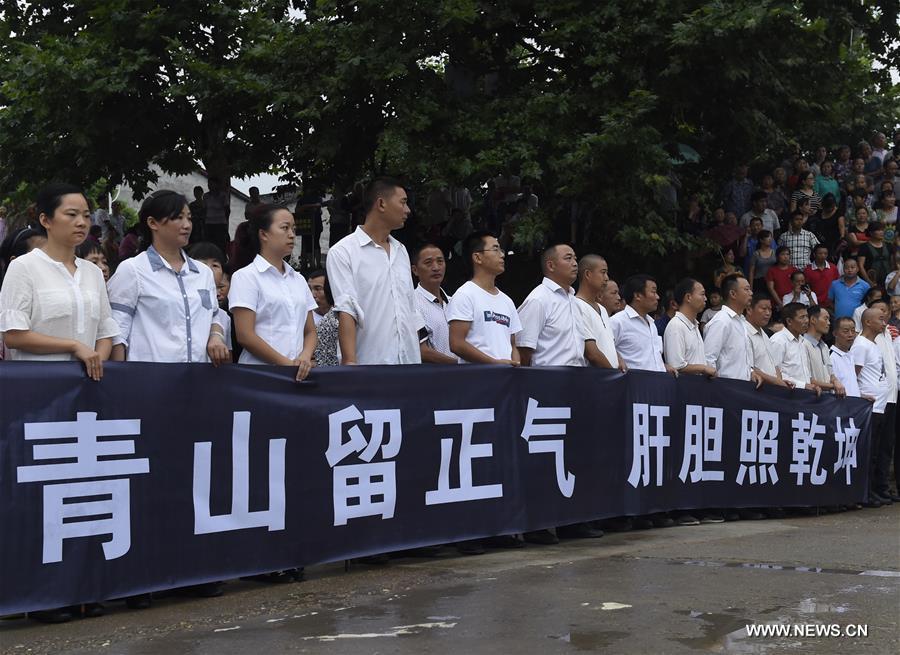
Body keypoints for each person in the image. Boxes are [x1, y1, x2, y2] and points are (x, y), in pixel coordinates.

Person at [0, 183, 118, 623]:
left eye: (86, 214)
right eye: (71, 214)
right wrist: (74, 347)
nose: (82, 222)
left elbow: (106, 329)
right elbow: (13, 333)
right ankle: (40, 595)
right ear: (45, 220)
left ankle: (83, 588)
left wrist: (96, 361)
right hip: (35, 397)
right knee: (39, 495)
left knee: (84, 492)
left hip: (85, 395)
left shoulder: (90, 272)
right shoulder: (24, 269)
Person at [517, 243, 601, 542]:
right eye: (568, 258)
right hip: (546, 389)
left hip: (575, 387)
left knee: (573, 456)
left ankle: (572, 519)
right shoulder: (538, 300)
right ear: (551, 266)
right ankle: (537, 524)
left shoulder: (573, 301)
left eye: (576, 258)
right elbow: (525, 351)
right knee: (543, 458)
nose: (575, 263)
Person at [107, 190, 229, 367]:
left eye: (189, 218)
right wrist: (118, 376)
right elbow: (118, 331)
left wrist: (216, 337)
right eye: (178, 218)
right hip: (151, 380)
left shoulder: (203, 273)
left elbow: (214, 316)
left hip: (199, 378)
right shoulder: (133, 270)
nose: (186, 225)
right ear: (152, 223)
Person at [326, 178, 424, 365]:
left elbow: (411, 307)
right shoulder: (343, 252)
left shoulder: (400, 250)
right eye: (403, 202)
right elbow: (347, 309)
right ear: (381, 203)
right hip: (371, 365)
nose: (408, 210)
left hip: (409, 365)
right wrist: (350, 362)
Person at [228, 204, 317, 380]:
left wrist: (304, 357)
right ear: (264, 234)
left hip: (298, 375)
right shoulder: (246, 277)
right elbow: (245, 335)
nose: (292, 234)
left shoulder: (298, 279)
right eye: (285, 228)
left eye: (293, 228)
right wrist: (286, 364)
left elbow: (310, 331)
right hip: (260, 376)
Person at [448, 231, 521, 366]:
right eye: (495, 249)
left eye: (501, 249)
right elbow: (456, 343)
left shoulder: (507, 301)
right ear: (477, 258)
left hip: (507, 380)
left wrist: (515, 366)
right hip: (478, 380)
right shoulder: (465, 295)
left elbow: (512, 344)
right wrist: (493, 363)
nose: (502, 255)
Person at [851, 307, 890, 506]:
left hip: (880, 406)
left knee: (875, 451)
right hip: (868, 408)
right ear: (868, 322)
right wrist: (859, 397)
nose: (884, 323)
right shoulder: (861, 345)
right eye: (881, 319)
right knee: (867, 452)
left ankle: (873, 489)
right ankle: (864, 492)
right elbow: (853, 375)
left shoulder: (874, 344)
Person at [610, 275, 677, 375]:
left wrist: (662, 366)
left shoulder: (652, 324)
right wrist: (618, 358)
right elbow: (604, 349)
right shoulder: (617, 322)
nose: (657, 297)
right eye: (653, 292)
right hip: (633, 386)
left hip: (658, 385)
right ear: (637, 295)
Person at [703, 274, 761, 385]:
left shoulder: (741, 321)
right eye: (746, 289)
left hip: (743, 388)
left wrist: (751, 372)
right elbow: (709, 359)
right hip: (726, 389)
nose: (751, 293)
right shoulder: (721, 321)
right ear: (733, 294)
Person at [574, 254, 623, 370]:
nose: (606, 278)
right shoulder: (576, 305)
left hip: (611, 378)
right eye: (603, 272)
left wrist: (619, 360)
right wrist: (613, 374)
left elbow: (608, 344)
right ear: (587, 274)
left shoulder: (603, 309)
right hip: (596, 379)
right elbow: (592, 353)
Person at [411, 243, 457, 365]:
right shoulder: (411, 302)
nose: (436, 267)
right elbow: (422, 351)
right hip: (432, 378)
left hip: (465, 376)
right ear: (415, 270)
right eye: (428, 263)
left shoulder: (456, 302)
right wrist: (460, 364)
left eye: (440, 261)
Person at [663, 278, 715, 378]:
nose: (706, 298)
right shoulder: (676, 325)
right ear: (688, 297)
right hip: (685, 388)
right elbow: (676, 366)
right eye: (702, 294)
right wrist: (703, 368)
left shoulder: (695, 325)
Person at [768, 303, 820, 392]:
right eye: (802, 317)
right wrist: (803, 385)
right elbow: (774, 373)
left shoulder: (803, 342)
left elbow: (805, 374)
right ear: (789, 321)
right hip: (787, 395)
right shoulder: (778, 340)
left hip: (805, 395)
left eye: (807, 316)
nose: (807, 320)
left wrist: (812, 386)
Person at [744, 293, 791, 387]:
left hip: (773, 391)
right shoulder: (744, 332)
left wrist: (780, 381)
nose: (768, 313)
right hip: (757, 389)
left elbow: (775, 365)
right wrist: (778, 382)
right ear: (749, 310)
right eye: (764, 309)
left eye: (770, 309)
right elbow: (749, 367)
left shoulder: (765, 335)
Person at [802, 305, 846, 396]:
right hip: (811, 397)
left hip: (827, 398)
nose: (829, 323)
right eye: (825, 319)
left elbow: (831, 374)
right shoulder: (803, 344)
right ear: (813, 320)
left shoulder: (825, 346)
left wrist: (836, 381)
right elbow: (806, 378)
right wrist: (833, 386)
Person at [307, 270, 339, 367]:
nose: (312, 294)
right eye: (308, 289)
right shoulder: (303, 317)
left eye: (318, 289)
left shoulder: (342, 317)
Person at [830, 317, 860, 397]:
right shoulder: (831, 357)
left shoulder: (850, 355)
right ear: (835, 334)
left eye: (853, 331)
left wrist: (861, 396)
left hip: (855, 405)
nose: (850, 335)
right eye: (846, 331)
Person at [857, 221, 893, 287]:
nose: (881, 232)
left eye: (882, 230)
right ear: (871, 233)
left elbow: (893, 263)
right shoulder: (864, 247)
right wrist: (869, 282)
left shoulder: (889, 246)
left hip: (888, 281)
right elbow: (860, 265)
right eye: (878, 230)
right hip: (871, 280)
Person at [803, 244, 839, 309]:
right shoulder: (807, 270)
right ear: (814, 254)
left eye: (825, 253)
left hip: (831, 304)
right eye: (820, 253)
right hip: (814, 304)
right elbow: (806, 288)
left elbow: (837, 285)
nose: (823, 255)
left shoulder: (833, 268)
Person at [203, 178, 231, 254]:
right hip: (209, 223)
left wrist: (225, 220)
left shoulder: (222, 196)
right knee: (210, 242)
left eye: (212, 184)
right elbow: (204, 209)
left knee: (220, 243)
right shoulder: (206, 196)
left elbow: (227, 210)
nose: (210, 186)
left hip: (220, 222)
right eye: (209, 184)